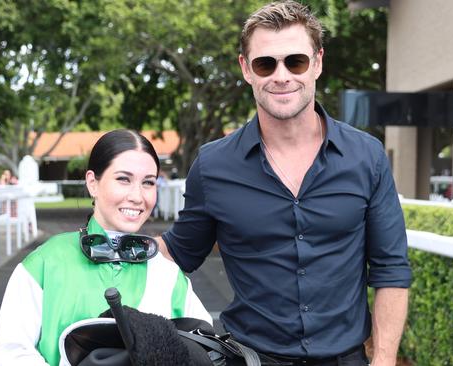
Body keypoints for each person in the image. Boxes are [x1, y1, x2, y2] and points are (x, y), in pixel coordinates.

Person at [158, 2, 412, 366]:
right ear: (246, 69)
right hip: (249, 358)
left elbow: (391, 270)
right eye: (266, 63)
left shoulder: (367, 157)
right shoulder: (213, 165)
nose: (281, 76)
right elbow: (178, 252)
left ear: (318, 63)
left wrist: (384, 359)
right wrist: (104, 236)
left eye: (296, 61)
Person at [0, 129, 211, 366]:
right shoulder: (44, 263)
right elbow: (9, 353)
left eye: (148, 182)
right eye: (123, 179)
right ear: (92, 183)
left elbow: (207, 350)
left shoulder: (167, 274)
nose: (137, 196)